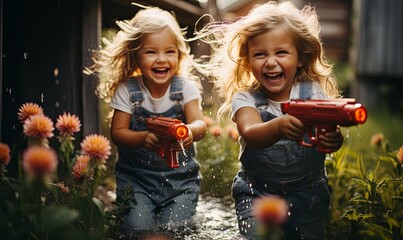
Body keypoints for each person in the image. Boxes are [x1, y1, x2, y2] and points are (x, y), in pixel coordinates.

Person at [197, 1, 344, 239]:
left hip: (308, 194)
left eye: (281, 52)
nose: (271, 61)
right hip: (257, 193)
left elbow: (326, 140)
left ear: (300, 58)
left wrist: (332, 140)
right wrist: (277, 127)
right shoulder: (245, 99)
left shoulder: (313, 93)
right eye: (260, 54)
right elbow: (252, 132)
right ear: (248, 60)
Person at [85, 6, 207, 235]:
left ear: (179, 55)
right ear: (135, 56)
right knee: (136, 229)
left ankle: (185, 211)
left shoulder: (185, 89)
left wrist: (188, 132)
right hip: (137, 181)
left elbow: (199, 124)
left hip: (181, 182)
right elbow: (118, 132)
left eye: (169, 51)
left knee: (175, 229)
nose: (161, 59)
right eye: (151, 52)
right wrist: (143, 138)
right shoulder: (128, 91)